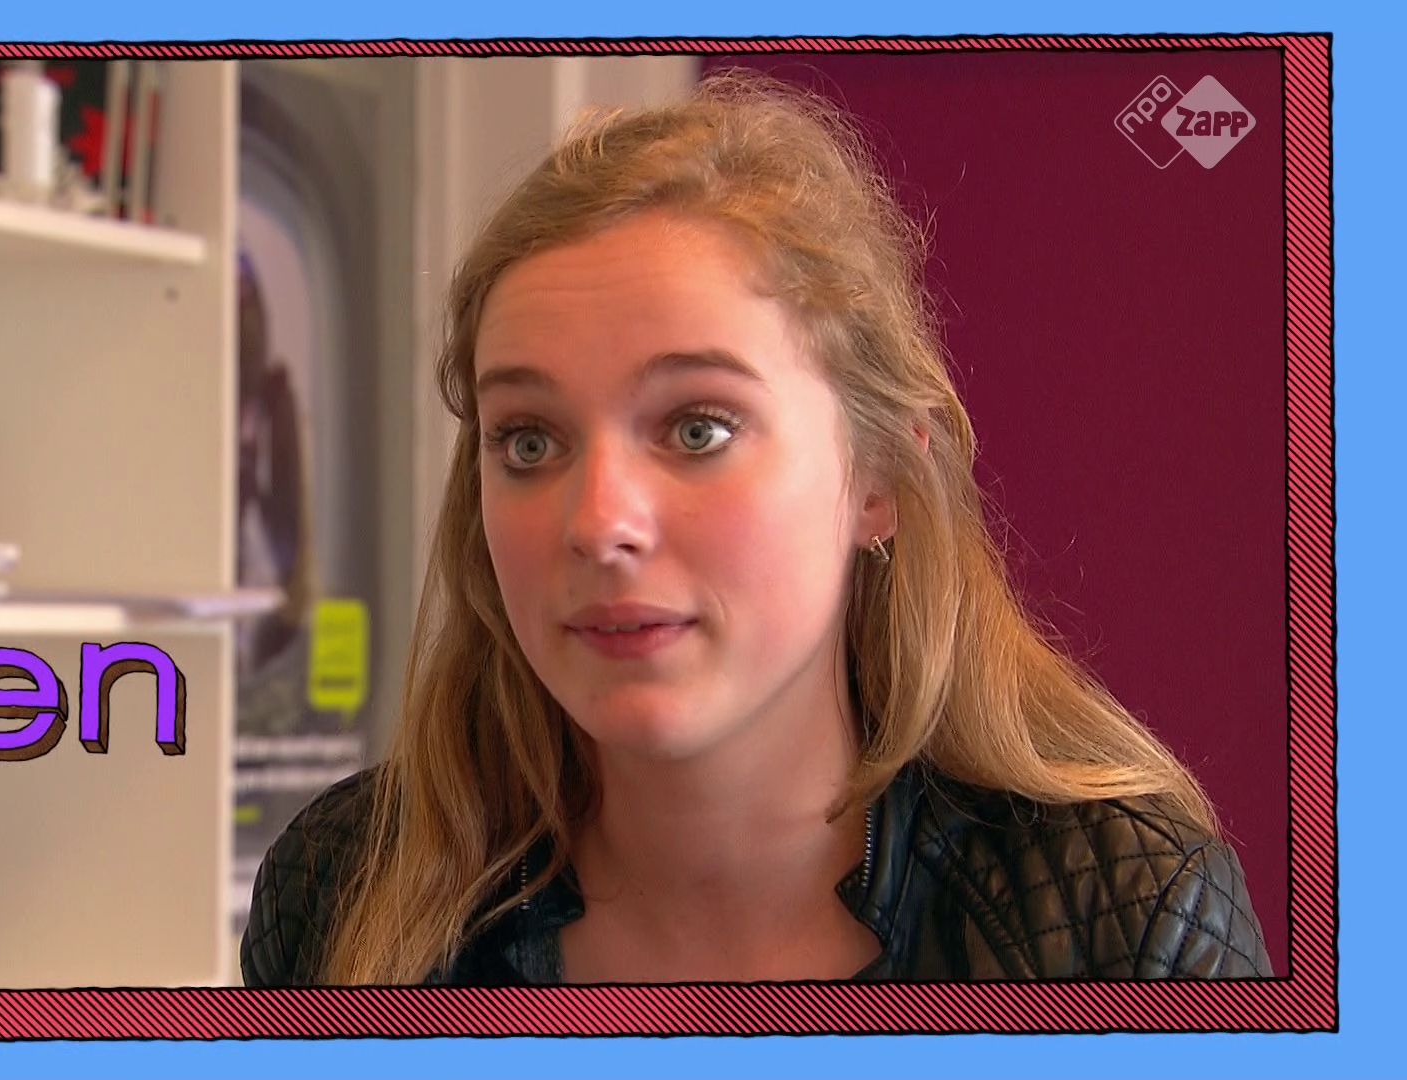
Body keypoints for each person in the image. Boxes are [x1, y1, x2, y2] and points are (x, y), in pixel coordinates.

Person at [240, 71, 1272, 986]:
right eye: (529, 440)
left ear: (880, 477)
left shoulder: (1119, 920)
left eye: (698, 428)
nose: (600, 524)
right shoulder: (342, 889)